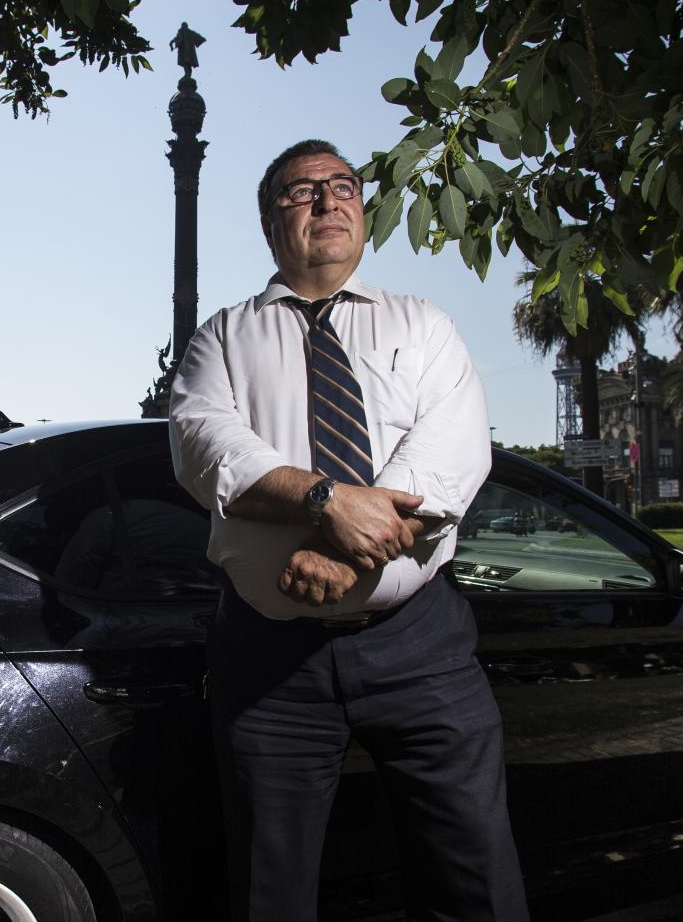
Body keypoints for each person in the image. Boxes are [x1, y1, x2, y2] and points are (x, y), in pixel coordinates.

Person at [169, 139, 528, 922]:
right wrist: (327, 501)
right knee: (271, 893)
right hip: (271, 661)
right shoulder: (222, 339)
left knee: (477, 881)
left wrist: (341, 554)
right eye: (303, 192)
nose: (328, 203)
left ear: (362, 212)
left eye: (343, 187)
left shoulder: (424, 326)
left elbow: (451, 458)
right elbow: (206, 451)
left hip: (420, 648)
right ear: (272, 225)